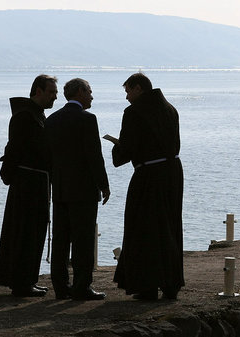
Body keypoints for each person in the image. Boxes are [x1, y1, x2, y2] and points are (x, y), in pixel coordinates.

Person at [108, 73, 184, 300]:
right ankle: (171, 284)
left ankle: (147, 285)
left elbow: (128, 149)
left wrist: (116, 148)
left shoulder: (134, 112)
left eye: (128, 92)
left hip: (148, 175)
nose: (127, 98)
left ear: (138, 88)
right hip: (172, 173)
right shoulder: (170, 109)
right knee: (169, 226)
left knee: (143, 227)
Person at [44, 78, 110, 300]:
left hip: (60, 188)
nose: (92, 96)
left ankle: (61, 287)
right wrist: (104, 185)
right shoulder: (87, 119)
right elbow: (94, 156)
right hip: (83, 189)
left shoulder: (52, 120)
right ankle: (82, 286)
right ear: (80, 92)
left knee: (61, 240)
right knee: (83, 240)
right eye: (90, 91)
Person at [0, 74, 58, 297]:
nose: (55, 97)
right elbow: (14, 149)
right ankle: (21, 282)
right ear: (38, 91)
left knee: (35, 230)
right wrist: (9, 175)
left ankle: (27, 278)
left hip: (37, 180)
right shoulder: (24, 117)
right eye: (51, 92)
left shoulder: (36, 115)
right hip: (27, 182)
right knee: (25, 231)